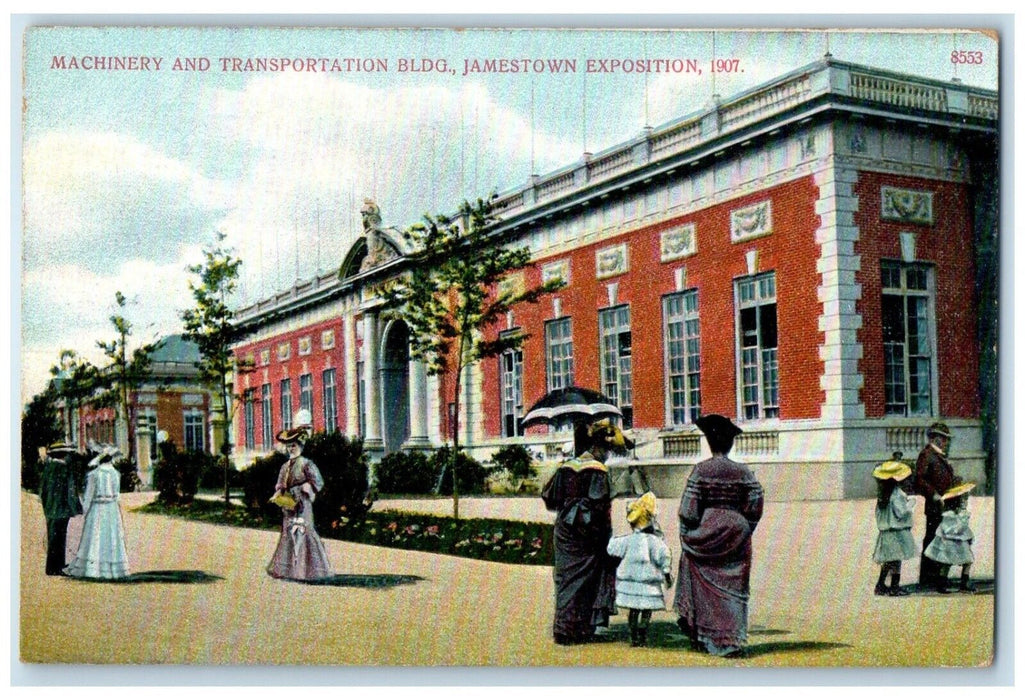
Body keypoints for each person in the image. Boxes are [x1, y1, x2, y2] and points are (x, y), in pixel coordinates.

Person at [675, 414, 764, 658]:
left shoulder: (701, 470)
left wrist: (689, 535)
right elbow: (756, 503)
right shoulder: (743, 471)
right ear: (730, 443)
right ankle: (731, 641)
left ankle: (704, 636)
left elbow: (688, 510)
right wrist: (745, 526)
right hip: (737, 532)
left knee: (697, 575)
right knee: (734, 585)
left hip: (706, 530)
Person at [542, 419, 633, 645]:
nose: (607, 455)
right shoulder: (597, 471)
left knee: (565, 578)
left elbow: (550, 498)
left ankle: (564, 627)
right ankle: (579, 627)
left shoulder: (566, 466)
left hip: (564, 530)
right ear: (598, 448)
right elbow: (599, 506)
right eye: (607, 450)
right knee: (585, 579)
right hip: (586, 530)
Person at [607, 491, 673, 647]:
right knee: (646, 610)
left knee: (633, 609)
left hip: (630, 581)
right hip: (649, 582)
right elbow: (664, 557)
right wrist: (667, 575)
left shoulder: (628, 540)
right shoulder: (655, 542)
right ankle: (642, 635)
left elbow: (612, 548)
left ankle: (634, 637)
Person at [266, 427, 332, 581]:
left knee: (304, 531)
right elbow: (281, 484)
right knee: (289, 532)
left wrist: (308, 486)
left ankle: (309, 571)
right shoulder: (285, 466)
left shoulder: (306, 464)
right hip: (289, 503)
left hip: (302, 501)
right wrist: (277, 494)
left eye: (294, 445)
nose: (291, 448)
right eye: (289, 446)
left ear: (300, 446)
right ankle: (288, 570)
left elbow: (317, 481)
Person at [64, 447, 130, 579]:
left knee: (95, 536)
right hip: (111, 508)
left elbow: (89, 495)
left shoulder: (94, 474)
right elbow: (117, 495)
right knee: (111, 537)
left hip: (98, 508)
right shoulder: (115, 474)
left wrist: (85, 511)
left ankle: (93, 569)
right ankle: (114, 570)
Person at [915, 422, 958, 589]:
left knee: (940, 539)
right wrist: (933, 494)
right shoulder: (926, 455)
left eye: (946, 439)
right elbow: (920, 480)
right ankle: (928, 578)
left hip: (945, 504)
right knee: (933, 540)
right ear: (934, 438)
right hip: (935, 505)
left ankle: (936, 576)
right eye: (943, 438)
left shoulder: (938, 455)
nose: (946, 441)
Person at [871, 453, 917, 596]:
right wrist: (911, 503)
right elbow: (901, 512)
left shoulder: (883, 495)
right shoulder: (897, 494)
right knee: (896, 560)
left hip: (886, 532)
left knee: (889, 560)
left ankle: (880, 585)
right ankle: (894, 587)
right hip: (896, 532)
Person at [923, 481, 976, 594]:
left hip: (955, 543)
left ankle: (949, 584)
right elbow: (956, 529)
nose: (965, 502)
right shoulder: (951, 516)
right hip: (954, 543)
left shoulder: (951, 514)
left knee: (956, 563)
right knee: (958, 562)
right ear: (956, 502)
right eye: (963, 500)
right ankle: (953, 584)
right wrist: (963, 517)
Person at [38, 443, 83, 575]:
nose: (69, 456)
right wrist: (76, 507)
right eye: (67, 454)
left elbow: (43, 490)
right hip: (62, 508)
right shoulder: (64, 468)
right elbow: (70, 490)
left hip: (50, 508)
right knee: (60, 537)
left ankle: (52, 567)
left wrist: (46, 505)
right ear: (63, 455)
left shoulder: (48, 467)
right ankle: (57, 567)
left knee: (53, 537)